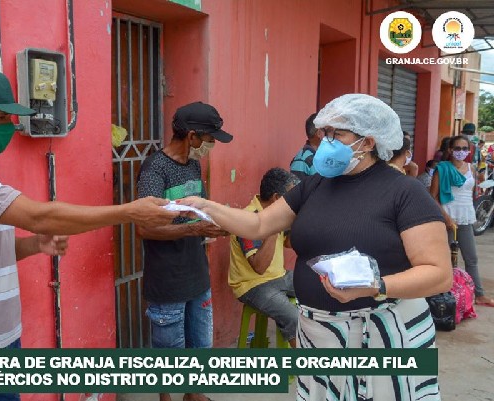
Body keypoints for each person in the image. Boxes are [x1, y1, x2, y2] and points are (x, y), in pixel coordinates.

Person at [0, 66, 178, 401]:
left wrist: (35, 244)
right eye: (0, 119)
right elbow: (40, 215)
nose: (8, 127)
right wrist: (128, 212)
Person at [180, 94, 452, 401]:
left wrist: (375, 286)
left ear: (368, 142)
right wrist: (205, 206)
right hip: (317, 332)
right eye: (325, 132)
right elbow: (258, 225)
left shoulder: (405, 192)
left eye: (338, 134)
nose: (326, 141)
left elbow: (438, 274)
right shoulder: (316, 184)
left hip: (383, 333)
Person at [136, 101, 233, 401]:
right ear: (192, 136)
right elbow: (145, 228)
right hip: (167, 277)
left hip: (196, 272)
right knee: (168, 351)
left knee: (200, 345)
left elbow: (198, 212)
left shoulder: (193, 165)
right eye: (210, 138)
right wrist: (194, 229)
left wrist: (217, 222)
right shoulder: (155, 169)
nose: (211, 145)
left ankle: (194, 394)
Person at [229, 167, 298, 348]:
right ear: (276, 199)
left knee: (318, 286)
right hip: (253, 285)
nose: (293, 203)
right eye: (290, 198)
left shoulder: (278, 212)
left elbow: (288, 243)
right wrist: (274, 226)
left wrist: (298, 221)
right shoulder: (247, 219)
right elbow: (259, 267)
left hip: (279, 276)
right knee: (293, 317)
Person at [430, 135, 494, 307]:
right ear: (450, 150)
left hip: (465, 218)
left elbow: (470, 193)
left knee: (471, 258)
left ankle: (479, 295)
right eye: (457, 148)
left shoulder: (471, 168)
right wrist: (447, 219)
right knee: (444, 260)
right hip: (446, 218)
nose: (461, 152)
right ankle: (442, 296)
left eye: (465, 149)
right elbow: (433, 197)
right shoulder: (442, 169)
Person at [289, 113, 321, 180]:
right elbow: (296, 186)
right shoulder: (302, 161)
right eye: (329, 130)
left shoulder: (324, 156)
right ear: (319, 133)